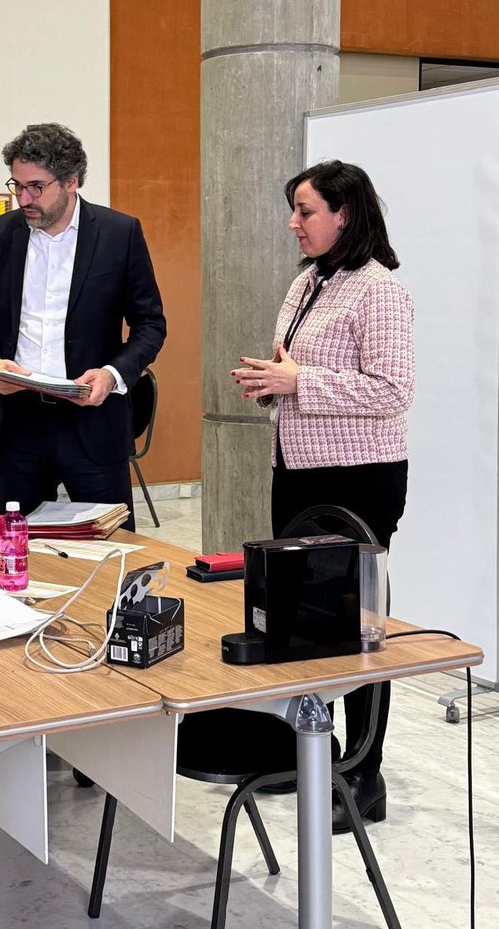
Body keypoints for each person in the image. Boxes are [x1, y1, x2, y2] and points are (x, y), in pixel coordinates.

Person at [232, 159, 415, 832]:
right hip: (299, 471)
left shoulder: (379, 292)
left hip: (359, 478)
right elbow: (301, 374)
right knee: (304, 620)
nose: (293, 223)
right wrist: (274, 384)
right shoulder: (307, 283)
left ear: (345, 213)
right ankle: (318, 755)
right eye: (295, 210)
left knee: (359, 626)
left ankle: (365, 775)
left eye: (305, 210)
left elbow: (392, 391)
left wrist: (299, 383)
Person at [0, 123, 166, 527]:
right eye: (16, 185)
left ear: (71, 181)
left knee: (112, 548)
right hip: (19, 423)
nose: (23, 198)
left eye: (36, 186)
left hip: (92, 421)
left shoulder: (118, 233)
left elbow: (150, 324)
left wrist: (112, 374)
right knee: (22, 551)